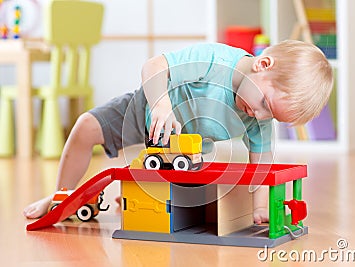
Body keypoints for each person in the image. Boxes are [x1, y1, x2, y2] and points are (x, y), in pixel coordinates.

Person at [23, 40, 333, 224]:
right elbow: (154, 65)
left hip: (183, 147)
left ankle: (134, 201)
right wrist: (161, 104)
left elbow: (260, 166)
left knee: (183, 202)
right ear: (262, 64)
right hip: (148, 109)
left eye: (271, 116)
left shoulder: (259, 118)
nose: (260, 115)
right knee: (85, 127)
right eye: (264, 102)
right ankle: (61, 196)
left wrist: (261, 208)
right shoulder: (215, 62)